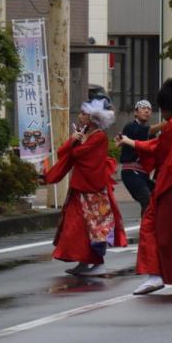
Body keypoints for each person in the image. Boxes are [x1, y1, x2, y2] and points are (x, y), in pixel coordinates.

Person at [118, 80, 172, 296]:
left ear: (168, 107)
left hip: (171, 185)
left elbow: (157, 147)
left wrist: (132, 143)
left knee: (151, 227)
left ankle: (155, 275)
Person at [44, 98, 127, 276]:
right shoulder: (85, 134)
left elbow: (78, 154)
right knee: (77, 227)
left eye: (84, 114)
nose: (80, 116)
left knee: (92, 227)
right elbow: (64, 153)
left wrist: (75, 142)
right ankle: (84, 261)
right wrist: (74, 140)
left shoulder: (99, 137)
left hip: (92, 190)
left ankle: (97, 262)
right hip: (81, 187)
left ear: (92, 118)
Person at [119, 100, 157, 214]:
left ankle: (150, 227)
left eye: (149, 109)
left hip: (143, 174)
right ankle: (147, 229)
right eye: (143, 108)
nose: (147, 111)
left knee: (158, 196)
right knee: (147, 199)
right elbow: (144, 132)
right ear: (135, 112)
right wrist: (168, 123)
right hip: (131, 172)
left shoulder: (151, 133)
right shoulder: (130, 127)